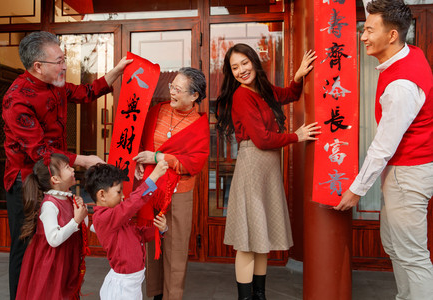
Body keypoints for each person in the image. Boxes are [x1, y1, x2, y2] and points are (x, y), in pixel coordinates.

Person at [2, 31, 131, 299]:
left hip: (56, 178)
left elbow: (86, 92)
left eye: (64, 59)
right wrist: (83, 160)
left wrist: (117, 70)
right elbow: (39, 151)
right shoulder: (16, 99)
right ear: (38, 66)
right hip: (26, 182)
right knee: (26, 250)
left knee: (57, 247)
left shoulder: (56, 83)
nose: (64, 66)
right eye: (59, 61)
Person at [335, 1, 433, 299]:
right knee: (395, 246)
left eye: (369, 30)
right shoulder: (409, 54)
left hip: (409, 174)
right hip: (404, 172)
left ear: (392, 35)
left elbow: (383, 146)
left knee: (412, 256)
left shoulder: (401, 84)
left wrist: (356, 189)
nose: (362, 36)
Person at [215, 43, 319, 300]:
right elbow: (261, 140)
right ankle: (246, 297)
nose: (241, 70)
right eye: (234, 67)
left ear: (254, 60)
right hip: (253, 164)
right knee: (249, 241)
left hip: (268, 165)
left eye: (244, 63)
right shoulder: (242, 95)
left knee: (261, 239)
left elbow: (287, 95)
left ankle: (259, 296)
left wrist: (298, 77)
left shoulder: (260, 89)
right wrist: (296, 135)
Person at [133, 67, 210, 300]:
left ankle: (172, 296)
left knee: (175, 247)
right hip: (151, 187)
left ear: (194, 95)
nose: (172, 92)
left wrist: (157, 157)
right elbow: (142, 141)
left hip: (179, 192)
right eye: (171, 87)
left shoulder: (199, 124)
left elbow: (193, 164)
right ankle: (155, 294)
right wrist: (138, 159)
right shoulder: (158, 111)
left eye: (177, 89)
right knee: (151, 240)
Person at [85, 161, 169, 300]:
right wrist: (154, 177)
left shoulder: (116, 216)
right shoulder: (103, 217)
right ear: (102, 195)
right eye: (118, 191)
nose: (123, 196)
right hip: (122, 287)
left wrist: (159, 229)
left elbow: (139, 235)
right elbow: (131, 204)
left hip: (131, 284)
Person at [16, 153, 88, 299]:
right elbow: (53, 239)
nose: (73, 170)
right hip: (52, 264)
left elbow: (81, 226)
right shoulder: (49, 204)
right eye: (68, 168)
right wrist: (76, 220)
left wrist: (81, 213)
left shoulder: (69, 198)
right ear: (55, 179)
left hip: (66, 259)